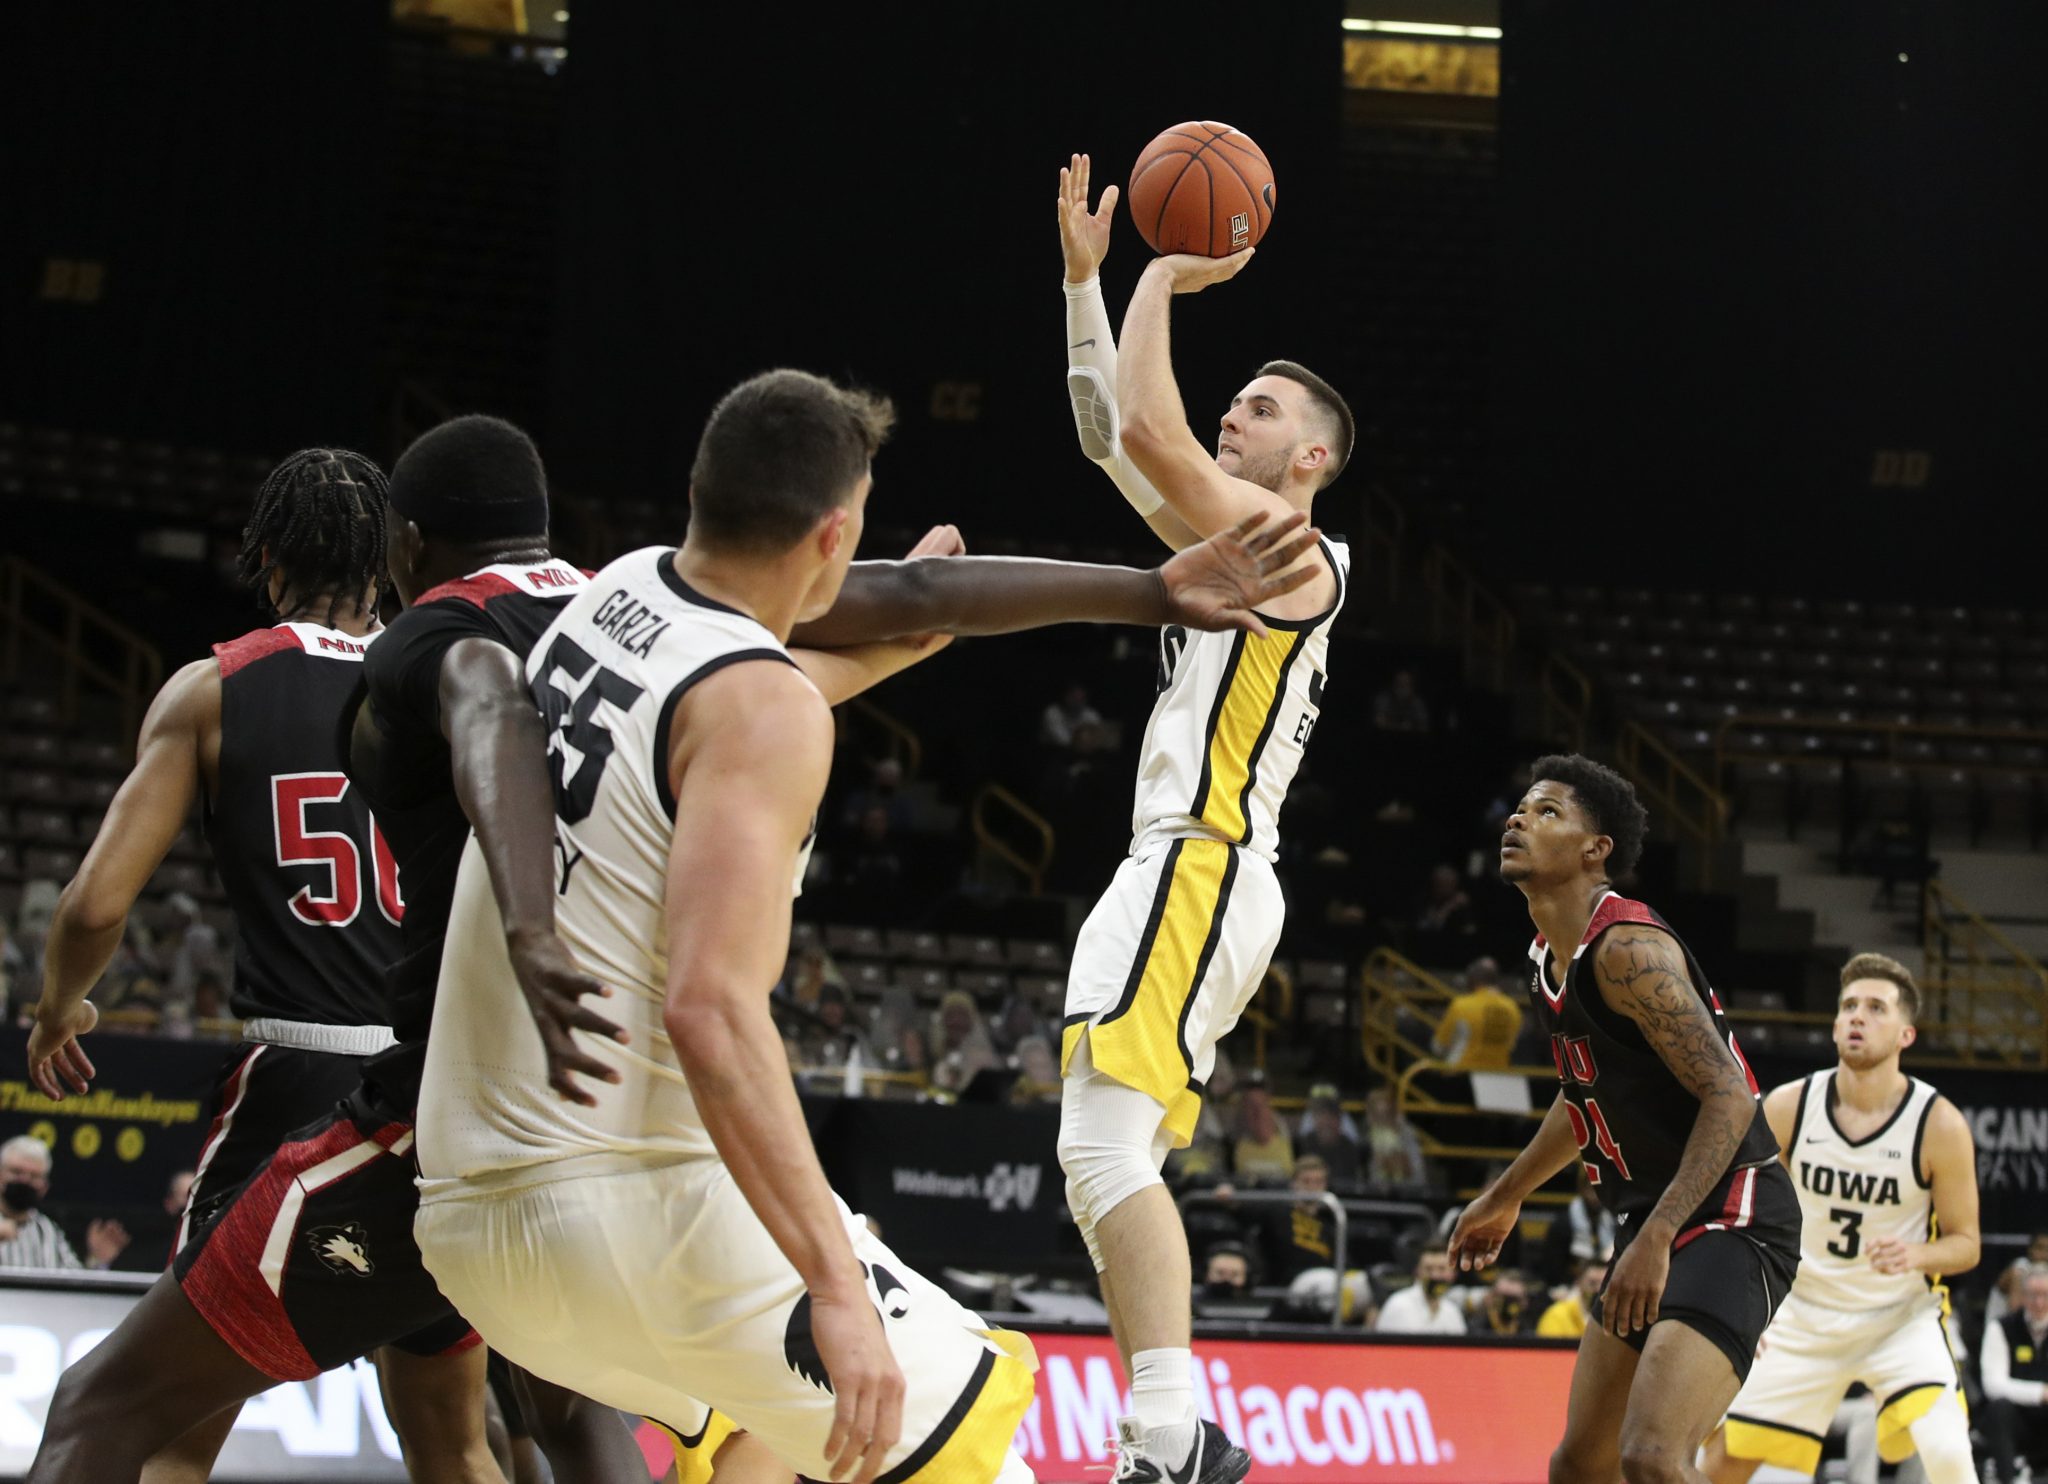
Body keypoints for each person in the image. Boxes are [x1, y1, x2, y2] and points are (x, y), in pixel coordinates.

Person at [410, 369, 1324, 1484]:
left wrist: (1134, 593)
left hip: (469, 1224)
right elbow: (708, 1011)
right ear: (834, 530)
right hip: (621, 1201)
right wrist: (834, 1287)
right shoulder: (764, 708)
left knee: (769, 1447)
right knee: (980, 1457)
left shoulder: (621, 590)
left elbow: (903, 597)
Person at [23, 424, 650, 1484]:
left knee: (154, 1421)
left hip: (306, 1080)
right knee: (456, 1433)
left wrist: (57, 1006)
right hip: (450, 1080)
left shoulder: (214, 687)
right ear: (387, 561)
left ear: (269, 560)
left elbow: (93, 903)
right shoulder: (463, 653)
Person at [1055, 152, 1353, 1484]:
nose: (1237, 411)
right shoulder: (1234, 544)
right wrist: (1084, 286)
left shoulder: (1301, 553)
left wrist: (1165, 269)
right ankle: (1168, 1437)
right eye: (1237, 396)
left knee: (1100, 1145)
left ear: (1315, 456)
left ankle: (1168, 1442)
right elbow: (1111, 436)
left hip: (1206, 863)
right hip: (1182, 866)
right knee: (1096, 1150)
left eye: (1263, 403)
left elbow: (1158, 436)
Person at [1450, 754, 1800, 1484]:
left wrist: (1661, 1234)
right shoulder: (1548, 951)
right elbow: (1585, 1091)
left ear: (1594, 848)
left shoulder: (1627, 950)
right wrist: (1506, 1193)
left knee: (1651, 1457)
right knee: (1581, 1465)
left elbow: (1732, 1095)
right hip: (1654, 1220)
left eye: (1547, 811)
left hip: (1730, 1218)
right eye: (1519, 808)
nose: (1518, 819)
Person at [1700, 952, 1980, 1484]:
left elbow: (1967, 1244)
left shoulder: (1939, 1124)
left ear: (1905, 1035)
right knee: (1723, 1462)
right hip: (1803, 1313)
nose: (1858, 1016)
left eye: (1876, 1008)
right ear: (1833, 1025)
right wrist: (1747, 1304)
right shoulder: (1790, 1106)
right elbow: (1740, 1214)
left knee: (1948, 1453)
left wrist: (1918, 1253)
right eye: (1849, 1006)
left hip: (1898, 1318)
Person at [0, 1135, 114, 1270]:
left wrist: (96, 1260)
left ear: (44, 1187)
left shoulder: (48, 1230)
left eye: (34, 1176)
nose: (24, 1180)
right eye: (16, 1172)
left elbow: (72, 1284)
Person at [1983, 1269, 2048, 1484]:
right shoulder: (2001, 1327)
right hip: (2017, 1420)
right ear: (2022, 1296)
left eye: (2045, 1295)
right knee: (1998, 1408)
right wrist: (2040, 1393)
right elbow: (1993, 1385)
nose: (2039, 1303)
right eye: (2033, 1295)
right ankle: (2008, 1478)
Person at [1434, 955, 1525, 1070]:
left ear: (1472, 979)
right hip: (1500, 1074)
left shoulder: (1461, 1005)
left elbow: (1438, 1046)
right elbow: (1512, 1045)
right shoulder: (1512, 1007)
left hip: (1463, 1074)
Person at [1535, 1166, 1619, 1288]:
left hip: (1603, 1285)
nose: (1597, 1196)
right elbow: (1552, 1270)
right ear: (1582, 1189)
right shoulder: (1563, 1224)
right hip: (1566, 1288)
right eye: (1593, 1189)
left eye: (1602, 1190)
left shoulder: (1613, 1221)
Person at [1373, 1250, 1467, 1336]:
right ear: (1417, 1272)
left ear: (1453, 1274)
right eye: (1428, 1269)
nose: (1434, 1275)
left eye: (1441, 1269)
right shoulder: (1398, 1304)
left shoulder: (1452, 1310)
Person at [1294, 1084, 1363, 1186]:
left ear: (1340, 1120)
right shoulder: (1303, 1144)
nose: (1327, 1122)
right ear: (1314, 1118)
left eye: (1332, 1116)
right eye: (1321, 1115)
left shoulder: (1349, 1147)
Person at [1538, 1261, 1610, 1339]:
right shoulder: (1557, 1315)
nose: (1598, 1289)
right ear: (1578, 1283)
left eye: (1604, 1285)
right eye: (1592, 1283)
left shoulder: (1616, 1318)